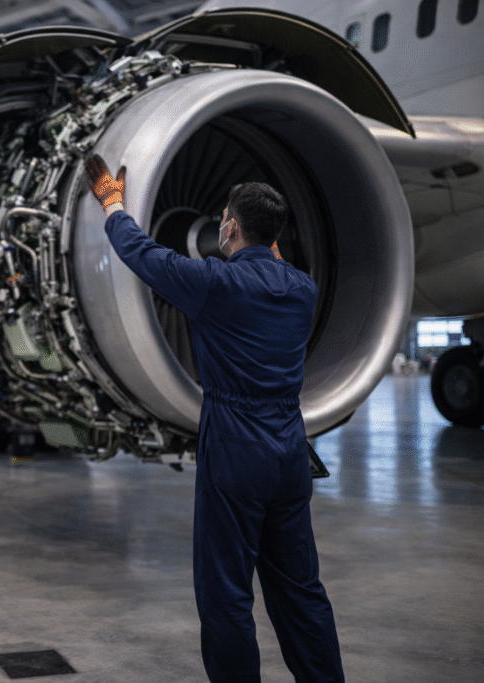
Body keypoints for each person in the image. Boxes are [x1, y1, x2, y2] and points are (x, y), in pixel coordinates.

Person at [86, 155, 345, 683]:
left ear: (229, 225)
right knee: (300, 589)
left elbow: (140, 252)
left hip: (236, 445)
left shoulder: (214, 285)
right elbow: (266, 265)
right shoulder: (301, 289)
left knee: (226, 593)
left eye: (225, 216)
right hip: (291, 448)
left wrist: (114, 203)